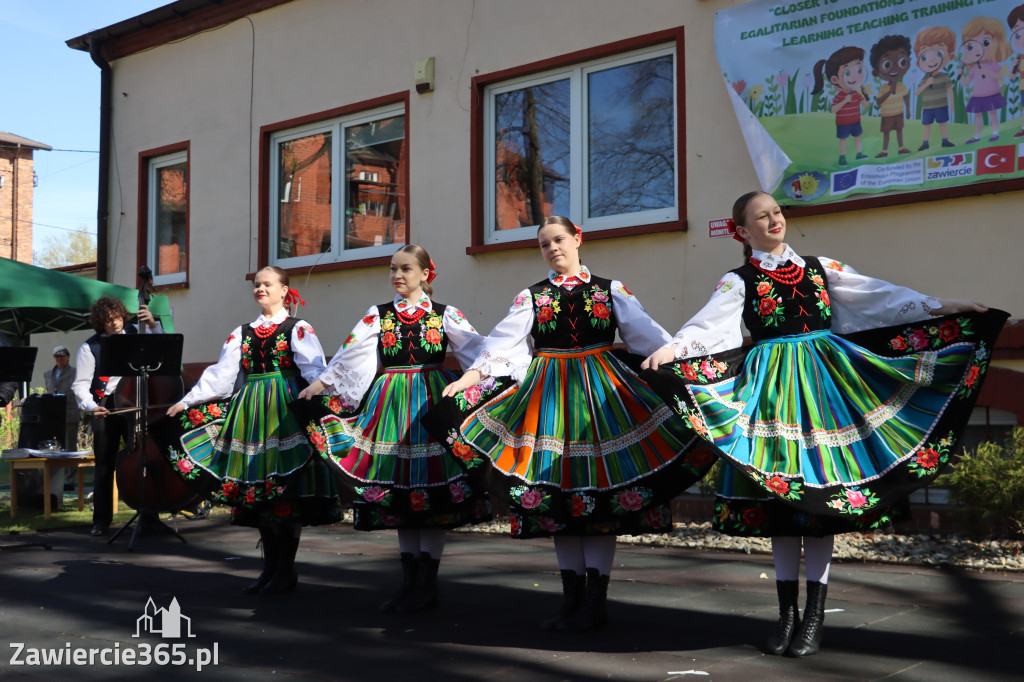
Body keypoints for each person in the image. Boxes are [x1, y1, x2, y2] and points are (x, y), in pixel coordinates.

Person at [641, 191, 1007, 657]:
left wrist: (945, 305)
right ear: (741, 231)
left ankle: (813, 618)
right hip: (771, 390)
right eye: (761, 216)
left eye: (776, 212)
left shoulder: (821, 267)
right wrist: (676, 348)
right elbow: (709, 327)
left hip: (825, 386)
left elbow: (881, 298)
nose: (774, 220)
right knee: (781, 500)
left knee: (822, 498)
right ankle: (787, 615)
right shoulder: (738, 280)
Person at [431, 216, 709, 632]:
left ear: (578, 239)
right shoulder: (533, 297)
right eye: (544, 244)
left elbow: (648, 337)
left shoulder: (610, 289)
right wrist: (469, 379)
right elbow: (501, 346)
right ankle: (572, 599)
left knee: (597, 494)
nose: (553, 248)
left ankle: (595, 602)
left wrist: (683, 367)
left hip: (602, 401)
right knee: (559, 497)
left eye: (559, 239)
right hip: (547, 401)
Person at [296, 244, 489, 613]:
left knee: (428, 490)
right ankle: (409, 582)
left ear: (424, 274)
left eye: (405, 269)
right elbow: (349, 356)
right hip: (391, 404)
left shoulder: (445, 314)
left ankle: (426, 584)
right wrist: (318, 386)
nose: (397, 275)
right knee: (400, 489)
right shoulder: (378, 315)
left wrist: (474, 382)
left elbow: (478, 352)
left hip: (429, 403)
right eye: (392, 269)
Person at [163, 266, 339, 595]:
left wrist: (320, 394)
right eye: (257, 284)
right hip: (250, 414)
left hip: (284, 413)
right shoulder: (242, 333)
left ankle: (285, 570)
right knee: (256, 490)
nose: (260, 289)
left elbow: (315, 369)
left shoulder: (297, 328)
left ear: (285, 290)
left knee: (284, 490)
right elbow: (221, 375)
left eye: (267, 284)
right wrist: (187, 402)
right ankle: (270, 569)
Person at [72, 297, 163, 537]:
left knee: (144, 458)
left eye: (118, 318)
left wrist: (153, 324)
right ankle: (101, 520)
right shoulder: (90, 347)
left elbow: (162, 348)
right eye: (109, 320)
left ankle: (150, 516)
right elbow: (80, 384)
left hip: (136, 402)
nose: (115, 323)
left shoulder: (137, 332)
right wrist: (92, 407)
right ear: (101, 323)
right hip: (107, 405)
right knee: (104, 462)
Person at [44, 345, 81, 451]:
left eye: (62, 356)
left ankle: (71, 468)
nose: (59, 359)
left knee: (70, 447)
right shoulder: (47, 374)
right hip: (53, 416)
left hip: (70, 414)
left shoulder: (76, 372)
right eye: (56, 357)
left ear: (68, 357)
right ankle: (56, 468)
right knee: (54, 447)